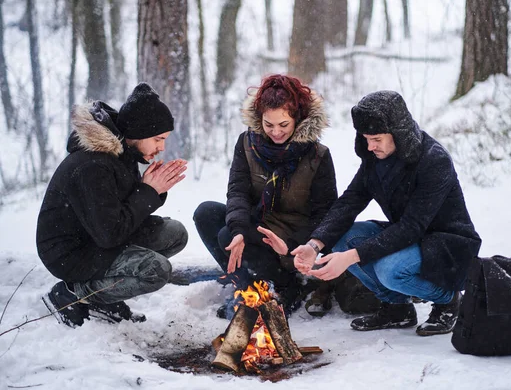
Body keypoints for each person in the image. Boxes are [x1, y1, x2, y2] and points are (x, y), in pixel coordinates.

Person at [293, 90, 482, 336]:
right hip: (409, 236)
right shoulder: (374, 158)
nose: (370, 146)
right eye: (365, 138)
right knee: (340, 239)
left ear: (398, 132)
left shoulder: (434, 160)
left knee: (390, 270)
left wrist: (352, 257)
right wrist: (315, 244)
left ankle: (447, 299)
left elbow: (412, 226)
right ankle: (397, 308)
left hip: (446, 243)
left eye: (377, 139)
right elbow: (350, 201)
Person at [37, 83, 189, 328]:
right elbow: (110, 233)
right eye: (158, 139)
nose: (161, 148)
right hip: (72, 253)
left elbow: (121, 212)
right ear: (138, 133)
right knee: (156, 270)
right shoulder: (93, 166)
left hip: (96, 237)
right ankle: (73, 294)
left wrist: (152, 190)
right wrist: (148, 191)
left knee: (175, 234)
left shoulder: (122, 153)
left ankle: (104, 294)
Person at [193, 74, 337, 317]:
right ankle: (247, 290)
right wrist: (240, 228)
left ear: (298, 119)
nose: (276, 133)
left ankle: (285, 288)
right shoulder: (247, 143)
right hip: (257, 223)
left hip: (292, 239)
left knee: (227, 233)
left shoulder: (317, 155)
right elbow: (237, 190)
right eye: (269, 125)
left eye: (284, 125)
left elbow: (326, 214)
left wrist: (292, 246)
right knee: (207, 215)